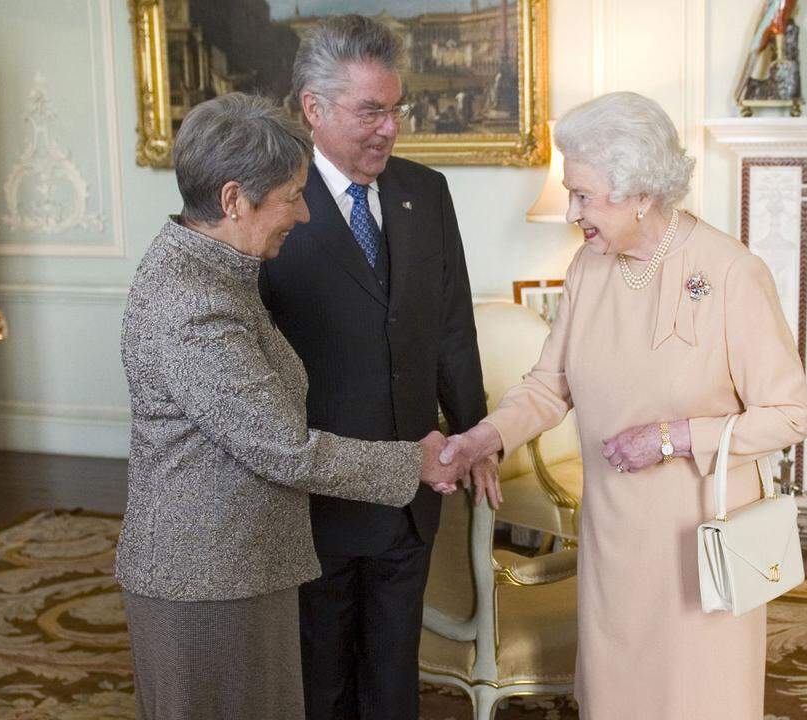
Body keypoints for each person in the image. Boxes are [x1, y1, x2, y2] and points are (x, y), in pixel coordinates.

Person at [441, 91, 807, 719]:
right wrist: (485, 437)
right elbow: (546, 385)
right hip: (615, 533)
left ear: (640, 192)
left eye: (583, 195)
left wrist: (671, 438)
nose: (571, 213)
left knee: (696, 698)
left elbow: (788, 414)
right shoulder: (590, 268)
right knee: (617, 698)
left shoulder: (729, 273)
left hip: (702, 537)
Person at [115, 92, 465, 720]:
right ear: (232, 201)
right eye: (290, 197)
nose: (304, 215)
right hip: (207, 578)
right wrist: (414, 462)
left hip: (244, 567)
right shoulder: (195, 302)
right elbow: (284, 448)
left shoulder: (220, 271)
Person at [258, 15, 494, 720]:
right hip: (315, 499)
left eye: (396, 109)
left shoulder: (427, 192)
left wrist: (477, 435)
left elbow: (453, 328)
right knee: (320, 680)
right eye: (371, 111)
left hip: (412, 490)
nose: (389, 129)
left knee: (393, 681)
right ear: (313, 109)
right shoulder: (269, 204)